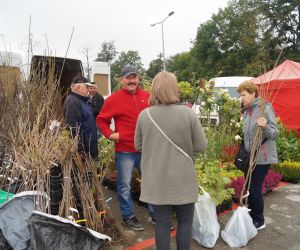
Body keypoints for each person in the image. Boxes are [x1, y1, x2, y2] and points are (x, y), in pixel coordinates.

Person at [134, 71, 207, 250]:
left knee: (162, 224)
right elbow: (201, 146)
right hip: (183, 178)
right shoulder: (188, 114)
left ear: (154, 89)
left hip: (157, 180)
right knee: (185, 222)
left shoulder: (145, 115)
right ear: (175, 88)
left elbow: (138, 145)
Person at [96, 65, 152, 231]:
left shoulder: (148, 97)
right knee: (124, 185)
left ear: (138, 79)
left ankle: (155, 214)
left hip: (146, 150)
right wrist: (111, 135)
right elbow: (101, 120)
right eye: (128, 77)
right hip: (125, 150)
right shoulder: (113, 99)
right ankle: (128, 216)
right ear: (121, 80)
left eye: (134, 77)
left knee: (150, 183)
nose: (132, 80)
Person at [237, 81, 278, 230]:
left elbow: (274, 133)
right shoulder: (247, 111)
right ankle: (251, 213)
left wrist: (265, 126)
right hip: (250, 156)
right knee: (248, 186)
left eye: (244, 95)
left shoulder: (265, 108)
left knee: (254, 188)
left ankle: (259, 221)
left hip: (262, 157)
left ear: (254, 93)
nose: (242, 98)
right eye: (240, 95)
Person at [63, 76, 98, 220]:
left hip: (89, 152)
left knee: (88, 183)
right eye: (86, 86)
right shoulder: (73, 102)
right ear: (77, 87)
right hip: (83, 154)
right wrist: (80, 152)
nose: (89, 89)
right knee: (82, 184)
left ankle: (86, 208)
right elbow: (73, 129)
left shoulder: (83, 101)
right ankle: (82, 213)